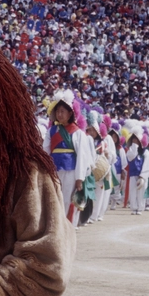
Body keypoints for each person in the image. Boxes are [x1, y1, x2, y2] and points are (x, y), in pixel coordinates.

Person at [44, 90, 92, 227]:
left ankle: (68, 227)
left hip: (70, 170)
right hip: (53, 170)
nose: (59, 114)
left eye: (62, 111)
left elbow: (82, 157)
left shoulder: (77, 133)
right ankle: (55, 227)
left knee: (67, 200)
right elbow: (45, 151)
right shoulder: (51, 131)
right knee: (54, 199)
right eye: (57, 111)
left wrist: (79, 179)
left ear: (70, 113)